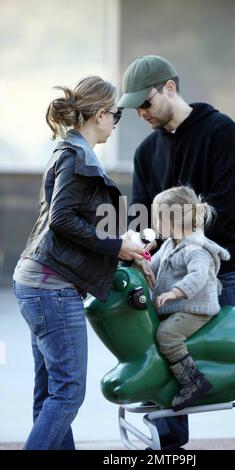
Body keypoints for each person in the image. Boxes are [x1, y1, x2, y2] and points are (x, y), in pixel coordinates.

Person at [119, 55, 235, 450]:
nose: (141, 113)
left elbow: (225, 204)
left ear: (169, 87)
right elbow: (140, 219)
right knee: (162, 356)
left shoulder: (221, 131)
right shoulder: (145, 153)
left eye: (145, 103)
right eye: (135, 108)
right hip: (167, 276)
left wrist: (173, 237)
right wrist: (143, 244)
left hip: (227, 270)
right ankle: (167, 447)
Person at [13, 76, 145, 450]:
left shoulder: (67, 151)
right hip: (51, 289)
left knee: (51, 394)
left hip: (38, 283)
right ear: (101, 114)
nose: (116, 122)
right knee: (68, 394)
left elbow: (69, 220)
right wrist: (117, 246)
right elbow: (62, 219)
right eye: (116, 115)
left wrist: (119, 242)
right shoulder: (76, 157)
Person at [147, 186, 230, 411]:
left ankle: (193, 382)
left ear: (176, 220)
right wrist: (141, 258)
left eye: (158, 218)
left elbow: (199, 275)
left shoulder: (195, 247)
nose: (155, 224)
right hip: (181, 306)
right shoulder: (170, 244)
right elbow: (152, 267)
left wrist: (176, 292)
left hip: (197, 308)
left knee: (167, 335)